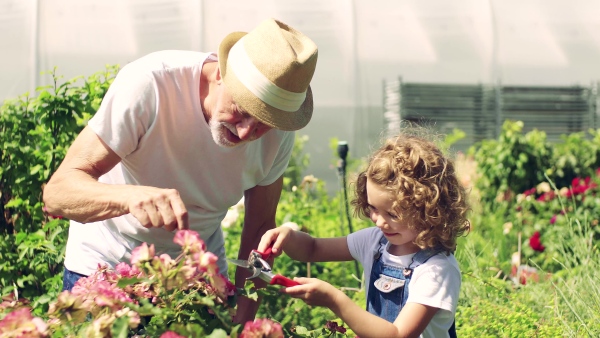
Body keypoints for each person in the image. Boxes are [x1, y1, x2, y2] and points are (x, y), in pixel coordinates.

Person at [42, 18, 318, 324]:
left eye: (263, 123)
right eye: (242, 109)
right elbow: (57, 193)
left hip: (195, 282)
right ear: (221, 75)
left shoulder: (280, 132)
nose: (245, 133)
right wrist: (128, 198)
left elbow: (259, 229)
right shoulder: (151, 84)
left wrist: (243, 321)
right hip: (107, 269)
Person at [258, 132, 471, 338]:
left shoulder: (436, 269)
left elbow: (398, 335)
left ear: (429, 210)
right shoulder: (375, 242)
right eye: (373, 208)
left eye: (393, 214)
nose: (379, 221)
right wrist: (287, 236)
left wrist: (334, 300)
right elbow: (312, 248)